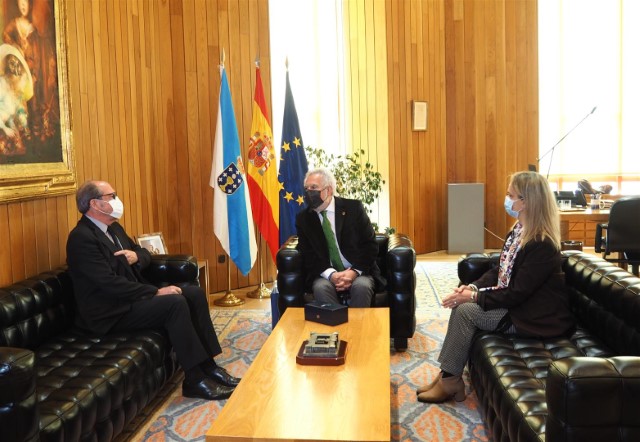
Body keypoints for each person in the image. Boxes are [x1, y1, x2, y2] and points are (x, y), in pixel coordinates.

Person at [66, 180, 240, 401]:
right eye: (112, 196)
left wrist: (136, 256)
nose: (118, 200)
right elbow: (107, 283)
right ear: (95, 204)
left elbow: (142, 251)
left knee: (194, 293)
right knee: (174, 303)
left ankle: (208, 366)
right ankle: (194, 380)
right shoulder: (81, 238)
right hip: (109, 311)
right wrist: (154, 292)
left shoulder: (114, 227)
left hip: (130, 298)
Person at [417, 171, 575, 403]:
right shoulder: (519, 231)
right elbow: (499, 271)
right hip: (516, 306)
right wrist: (470, 287)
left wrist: (473, 297)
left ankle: (450, 381)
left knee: (465, 311)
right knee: (463, 304)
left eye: (511, 195)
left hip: (531, 316)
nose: (507, 199)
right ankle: (447, 376)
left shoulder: (542, 243)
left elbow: (516, 293)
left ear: (526, 202)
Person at [295, 168, 385, 307]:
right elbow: (308, 254)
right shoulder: (304, 218)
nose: (308, 193)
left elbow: (370, 245)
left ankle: (359, 328)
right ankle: (334, 327)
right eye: (306, 188)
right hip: (325, 272)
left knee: (361, 287)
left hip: (358, 271)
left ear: (329, 190)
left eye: (314, 188)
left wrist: (354, 273)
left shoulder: (353, 208)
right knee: (321, 288)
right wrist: (331, 274)